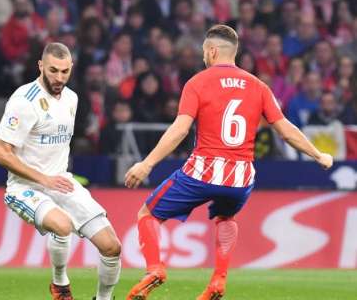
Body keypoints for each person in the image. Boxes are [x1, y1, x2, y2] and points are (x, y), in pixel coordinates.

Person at [124, 24, 333, 300]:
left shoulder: (197, 82)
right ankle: (218, 280)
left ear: (211, 51)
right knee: (226, 216)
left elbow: (180, 129)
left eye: (203, 52)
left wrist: (146, 164)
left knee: (148, 214)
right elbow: (285, 130)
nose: (203, 57)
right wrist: (318, 155)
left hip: (203, 172)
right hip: (241, 180)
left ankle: (154, 269)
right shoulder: (259, 86)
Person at [0, 42, 122, 300]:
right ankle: (60, 284)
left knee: (112, 247)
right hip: (25, 187)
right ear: (40, 66)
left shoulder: (72, 98)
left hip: (61, 182)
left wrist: (54, 179)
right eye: (53, 70)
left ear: (71, 68)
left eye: (65, 71)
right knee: (62, 225)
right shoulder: (23, 101)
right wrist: (43, 179)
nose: (59, 77)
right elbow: (0, 153)